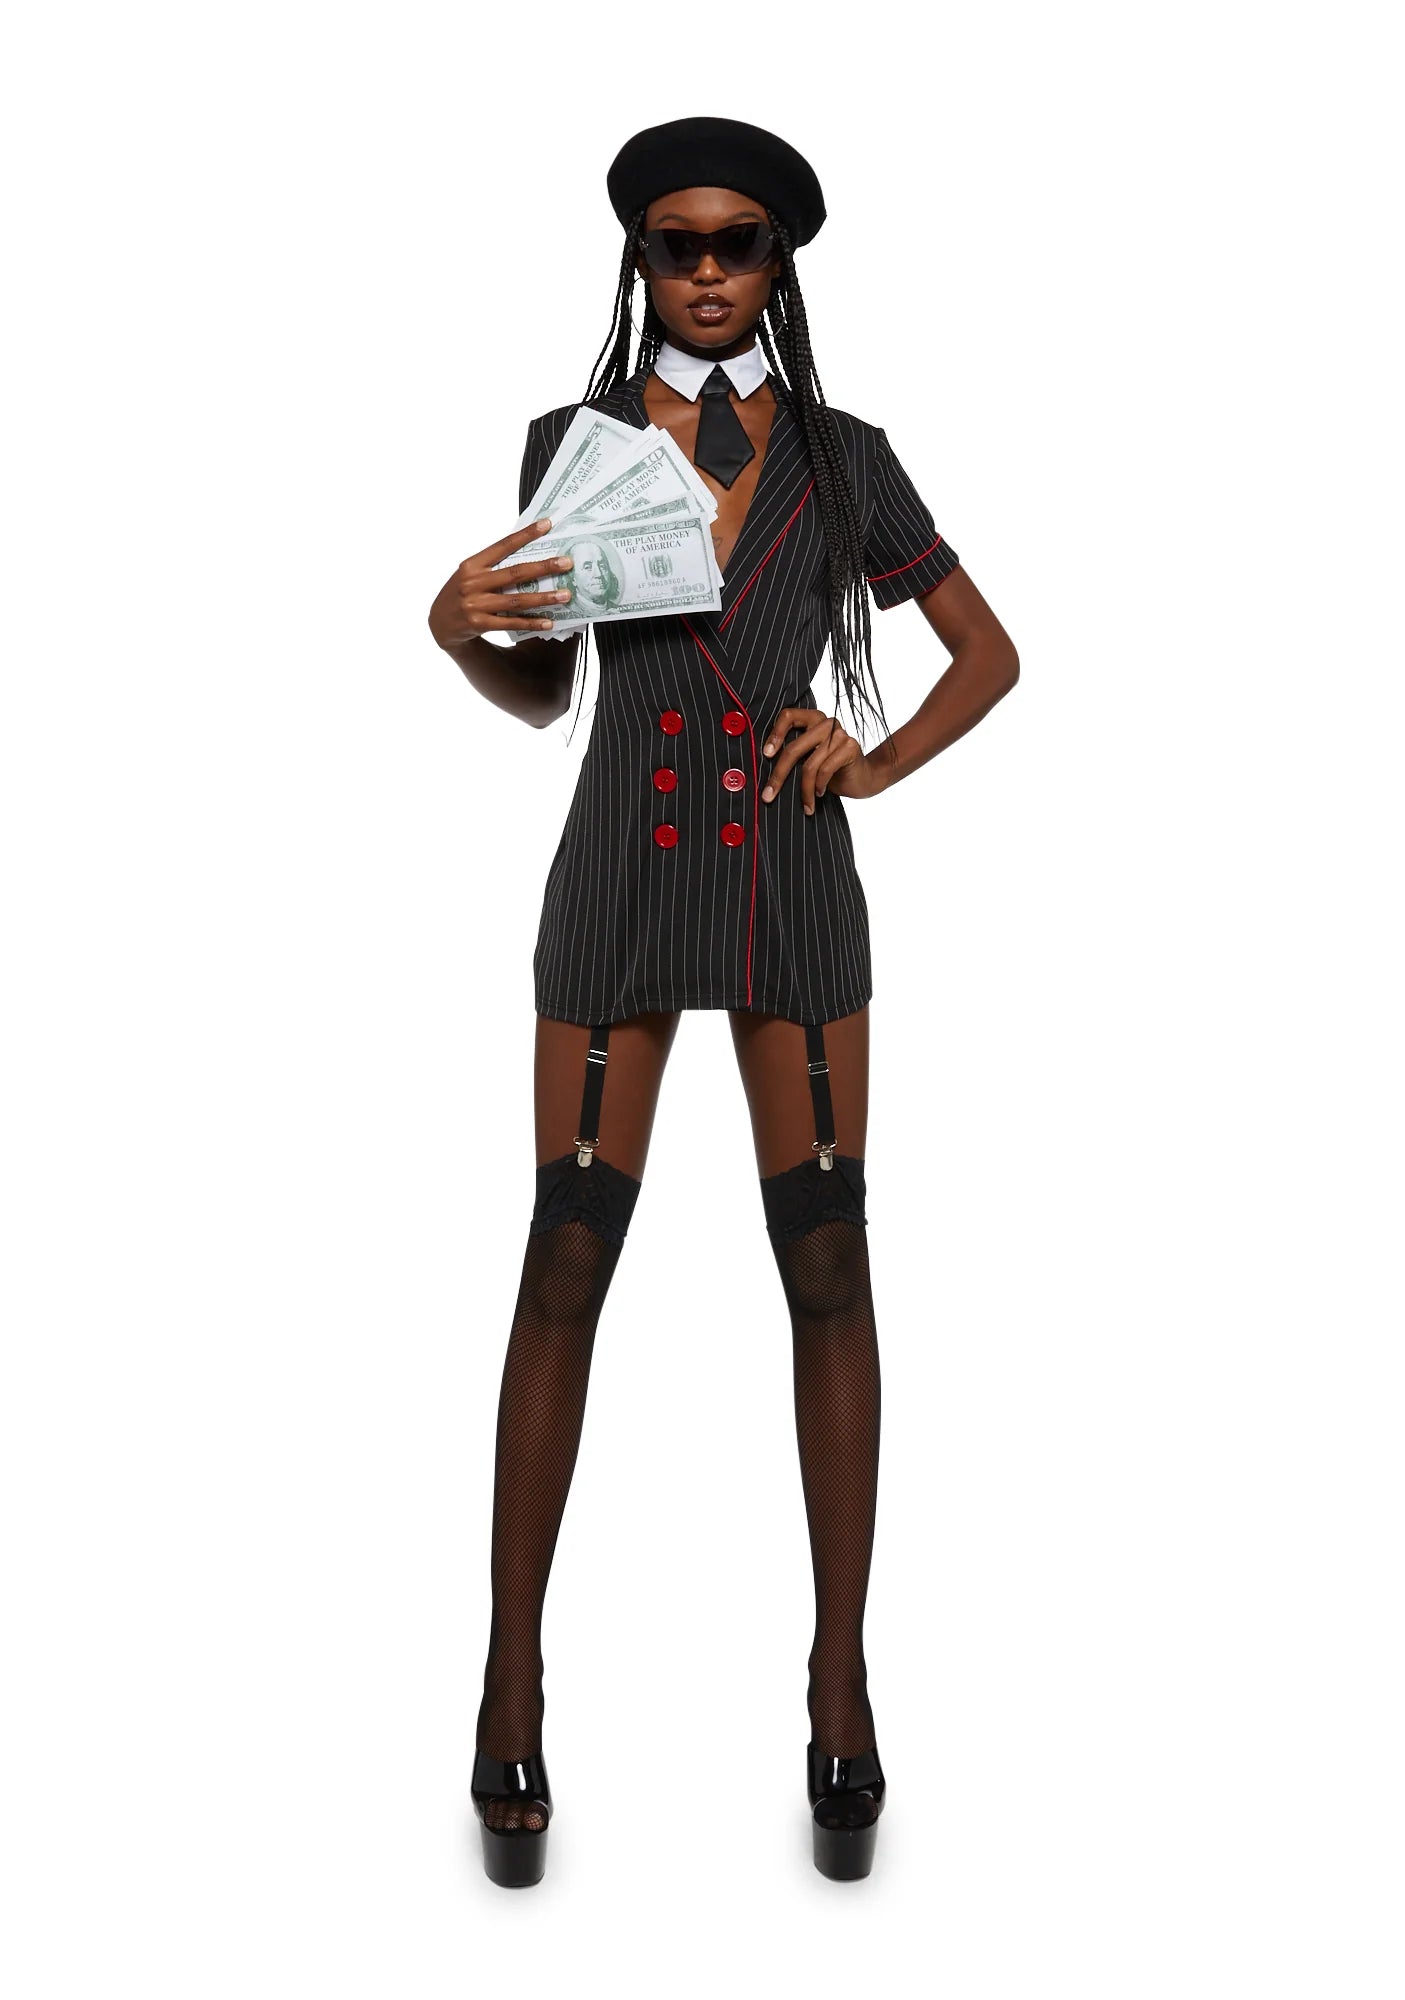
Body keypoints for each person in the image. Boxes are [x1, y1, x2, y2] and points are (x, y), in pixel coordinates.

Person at [427, 115, 1020, 1886]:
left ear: (777, 264)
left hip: (788, 873)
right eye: (674, 243)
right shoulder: (574, 444)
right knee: (565, 1252)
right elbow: (549, 694)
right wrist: (459, 632)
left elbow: (988, 653)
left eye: (734, 243)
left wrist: (875, 759)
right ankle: (509, 1678)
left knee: (827, 1257)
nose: (704, 270)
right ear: (638, 260)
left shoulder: (847, 461)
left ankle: (839, 1679)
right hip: (618, 869)